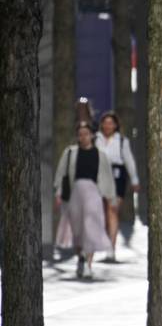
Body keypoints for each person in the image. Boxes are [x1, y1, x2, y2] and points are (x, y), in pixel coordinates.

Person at [54, 122, 115, 277]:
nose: (83, 137)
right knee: (78, 231)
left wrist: (110, 198)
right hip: (75, 194)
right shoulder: (70, 153)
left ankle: (88, 264)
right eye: (80, 134)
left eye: (86, 133)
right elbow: (62, 174)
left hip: (93, 194)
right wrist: (59, 194)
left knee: (92, 228)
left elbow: (106, 177)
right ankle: (81, 257)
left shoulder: (100, 155)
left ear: (92, 135)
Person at [95, 111, 139, 262]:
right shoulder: (96, 139)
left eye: (111, 123)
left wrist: (134, 180)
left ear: (115, 125)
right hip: (100, 175)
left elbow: (129, 160)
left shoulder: (122, 141)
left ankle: (111, 249)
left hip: (117, 176)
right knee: (103, 212)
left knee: (112, 211)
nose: (108, 126)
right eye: (105, 122)